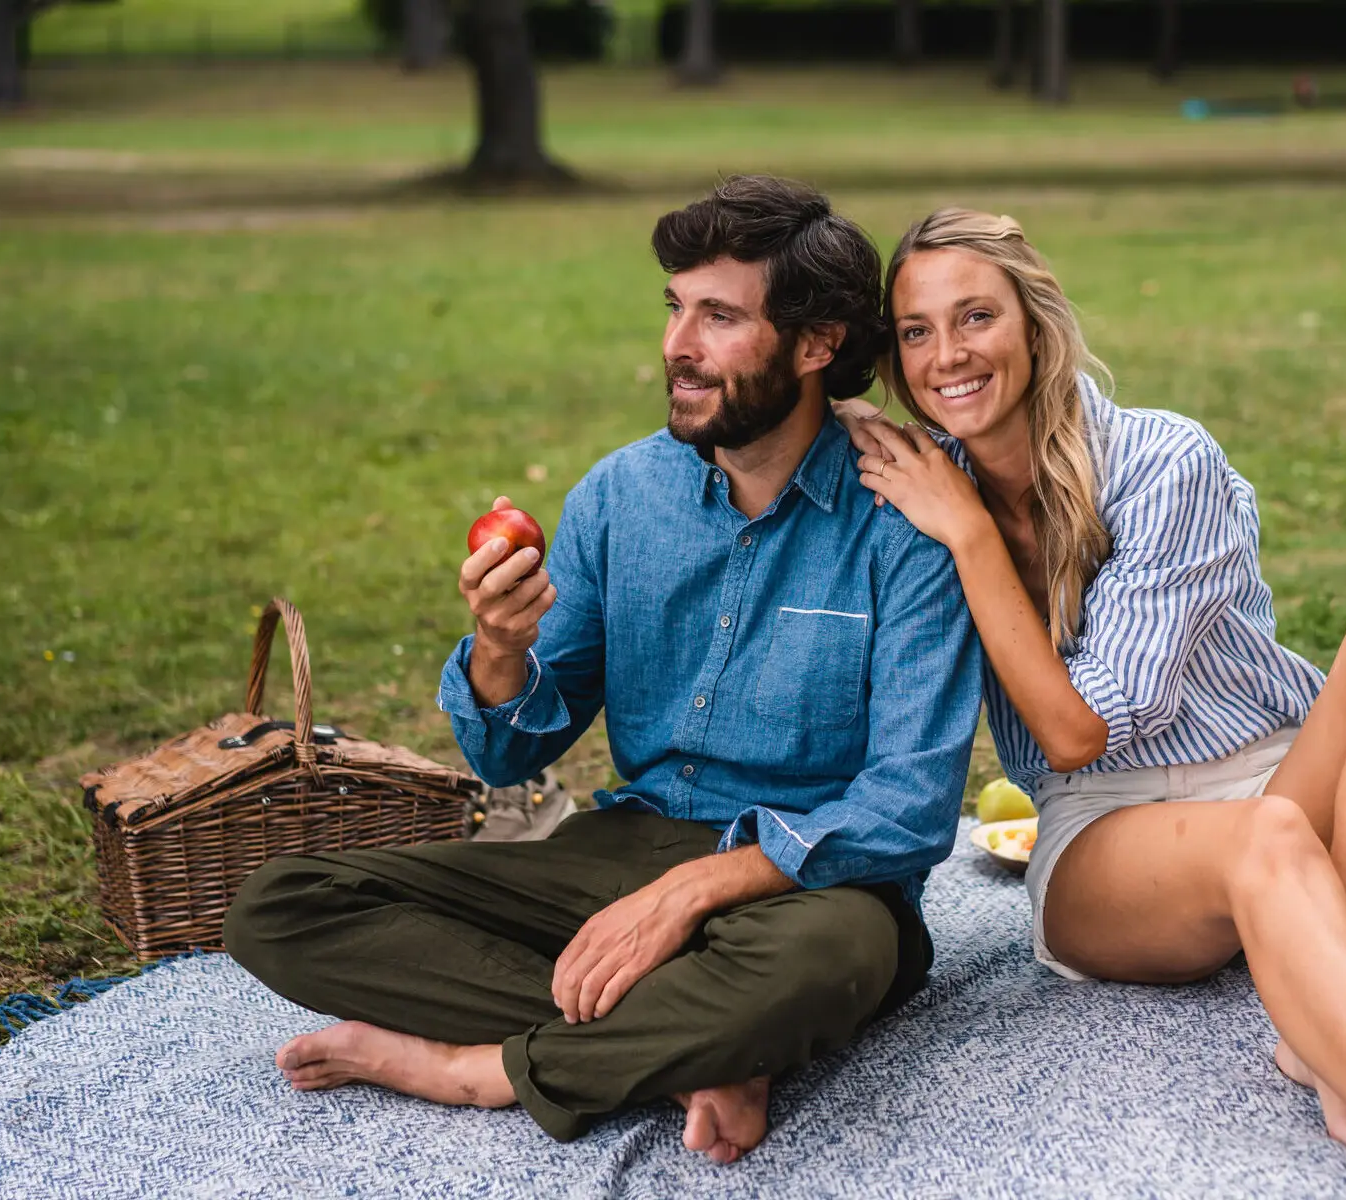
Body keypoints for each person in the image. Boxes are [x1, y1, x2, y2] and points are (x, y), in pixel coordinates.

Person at [224, 176, 984, 1165]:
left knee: (832, 960)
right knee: (279, 910)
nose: (678, 344)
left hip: (812, 884)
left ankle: (483, 1068)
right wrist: (500, 650)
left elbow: (913, 807)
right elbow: (512, 753)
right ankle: (697, 1044)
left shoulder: (905, 511)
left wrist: (697, 893)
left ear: (816, 344)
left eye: (719, 316)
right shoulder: (623, 495)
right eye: (675, 308)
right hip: (618, 855)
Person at [835, 208, 1346, 1200]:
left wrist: (970, 537)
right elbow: (1072, 750)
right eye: (919, 332)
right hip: (1103, 832)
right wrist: (957, 520)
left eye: (975, 316)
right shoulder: (925, 495)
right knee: (1267, 838)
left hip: (1276, 770)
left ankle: (1322, 1035)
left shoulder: (1160, 461)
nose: (949, 354)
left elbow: (1094, 710)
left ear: (1033, 323)